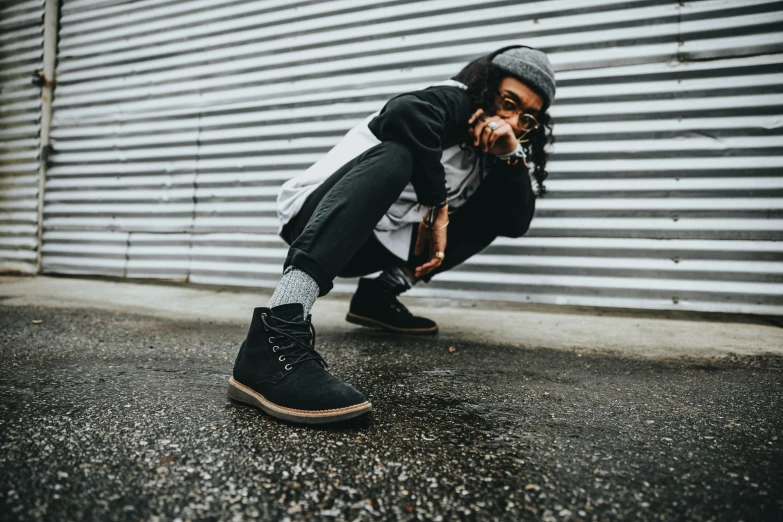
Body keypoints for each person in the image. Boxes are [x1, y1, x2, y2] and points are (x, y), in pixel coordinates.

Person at [227, 45, 556, 424]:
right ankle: (278, 329)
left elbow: (515, 222)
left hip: (370, 244)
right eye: (509, 102)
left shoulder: (493, 146)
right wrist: (437, 207)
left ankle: (377, 296)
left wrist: (510, 154)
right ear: (486, 87)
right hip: (313, 218)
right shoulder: (454, 102)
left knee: (492, 212)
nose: (512, 121)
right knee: (399, 153)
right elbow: (404, 113)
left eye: (527, 118)